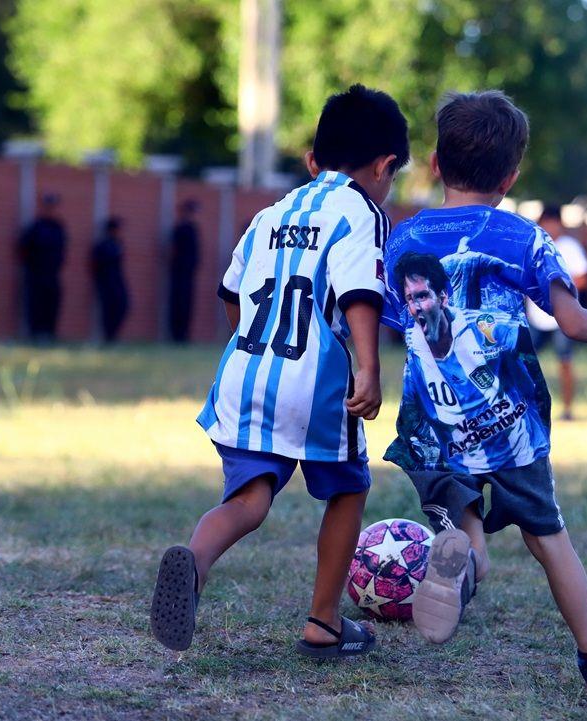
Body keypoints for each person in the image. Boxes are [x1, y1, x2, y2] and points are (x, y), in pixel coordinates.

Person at [380, 91, 587, 699]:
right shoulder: (523, 237)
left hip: (430, 425)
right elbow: (576, 323)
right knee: (547, 537)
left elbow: (381, 322)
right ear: (510, 177)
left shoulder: (401, 240)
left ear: (434, 164)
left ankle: (467, 560)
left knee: (462, 518)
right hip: (510, 424)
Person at [149, 84, 409, 659]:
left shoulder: (272, 212)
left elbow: (232, 293)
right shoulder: (363, 212)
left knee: (249, 498)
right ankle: (323, 622)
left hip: (244, 374)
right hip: (314, 383)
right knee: (348, 488)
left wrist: (259, 343)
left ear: (313, 159)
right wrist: (368, 367)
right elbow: (360, 292)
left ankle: (193, 565)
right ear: (385, 165)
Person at [525, 204, 587, 420]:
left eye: (552, 223)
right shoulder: (533, 245)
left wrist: (557, 287)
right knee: (523, 362)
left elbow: (583, 279)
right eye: (545, 222)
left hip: (562, 316)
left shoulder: (569, 247)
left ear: (560, 224)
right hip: (536, 315)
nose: (549, 227)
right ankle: (524, 407)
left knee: (565, 362)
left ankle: (568, 409)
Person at [20, 193, 67, 343]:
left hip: (53, 273)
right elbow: (23, 248)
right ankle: (36, 334)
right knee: (36, 304)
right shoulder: (35, 227)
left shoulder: (59, 227)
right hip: (36, 273)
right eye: (48, 206)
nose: (51, 209)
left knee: (52, 304)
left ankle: (50, 334)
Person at [91, 217, 130, 343]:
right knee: (108, 309)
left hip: (118, 280)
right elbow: (95, 265)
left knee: (123, 305)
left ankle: (113, 334)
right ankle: (109, 336)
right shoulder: (102, 245)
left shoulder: (119, 243)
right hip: (105, 280)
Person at [168, 199, 201, 343]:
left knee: (187, 304)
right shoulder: (180, 229)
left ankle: (184, 334)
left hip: (189, 273)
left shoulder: (194, 229)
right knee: (178, 303)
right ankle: (177, 335)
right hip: (179, 272)